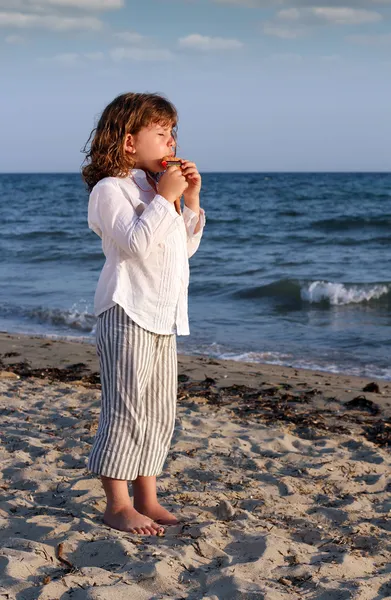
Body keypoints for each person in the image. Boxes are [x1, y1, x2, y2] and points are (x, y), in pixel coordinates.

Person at [81, 92, 206, 536]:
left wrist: (186, 201)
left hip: (163, 314)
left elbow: (181, 249)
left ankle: (146, 497)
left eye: (173, 133)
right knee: (126, 409)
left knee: (158, 412)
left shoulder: (157, 190)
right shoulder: (110, 190)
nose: (171, 142)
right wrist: (163, 199)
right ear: (129, 141)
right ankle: (116, 504)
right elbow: (134, 244)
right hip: (126, 309)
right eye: (160, 133)